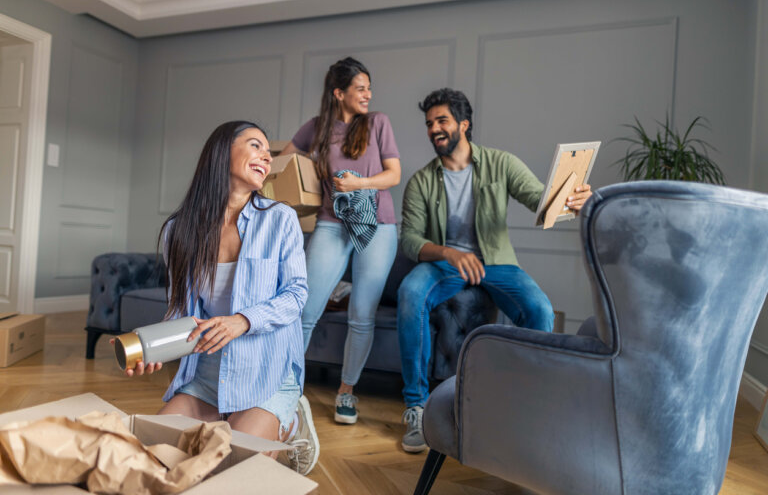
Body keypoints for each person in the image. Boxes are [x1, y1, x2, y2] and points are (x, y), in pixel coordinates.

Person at [116, 121, 319, 475]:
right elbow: (182, 310)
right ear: (222, 151)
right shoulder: (178, 230)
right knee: (149, 455)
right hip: (208, 375)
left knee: (231, 467)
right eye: (255, 145)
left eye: (268, 152)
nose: (266, 157)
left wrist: (243, 320)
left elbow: (297, 294)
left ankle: (290, 420)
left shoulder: (280, 219)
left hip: (266, 371)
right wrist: (156, 350)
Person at [397, 89, 592, 453]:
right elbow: (409, 239)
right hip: (444, 265)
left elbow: (539, 198)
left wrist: (572, 199)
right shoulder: (421, 181)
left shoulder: (500, 164)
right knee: (410, 292)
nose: (433, 129)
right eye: (429, 123)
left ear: (464, 125)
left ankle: (526, 404)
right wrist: (449, 253)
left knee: (540, 311)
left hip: (496, 263)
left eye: (441, 121)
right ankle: (416, 407)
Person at [280, 57, 401, 425]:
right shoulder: (317, 128)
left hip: (377, 226)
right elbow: (284, 162)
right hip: (332, 223)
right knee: (304, 311)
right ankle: (286, 388)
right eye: (360, 88)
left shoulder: (378, 122)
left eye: (369, 87)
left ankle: (346, 392)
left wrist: (359, 184)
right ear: (339, 93)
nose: (368, 94)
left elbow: (393, 175)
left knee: (361, 317)